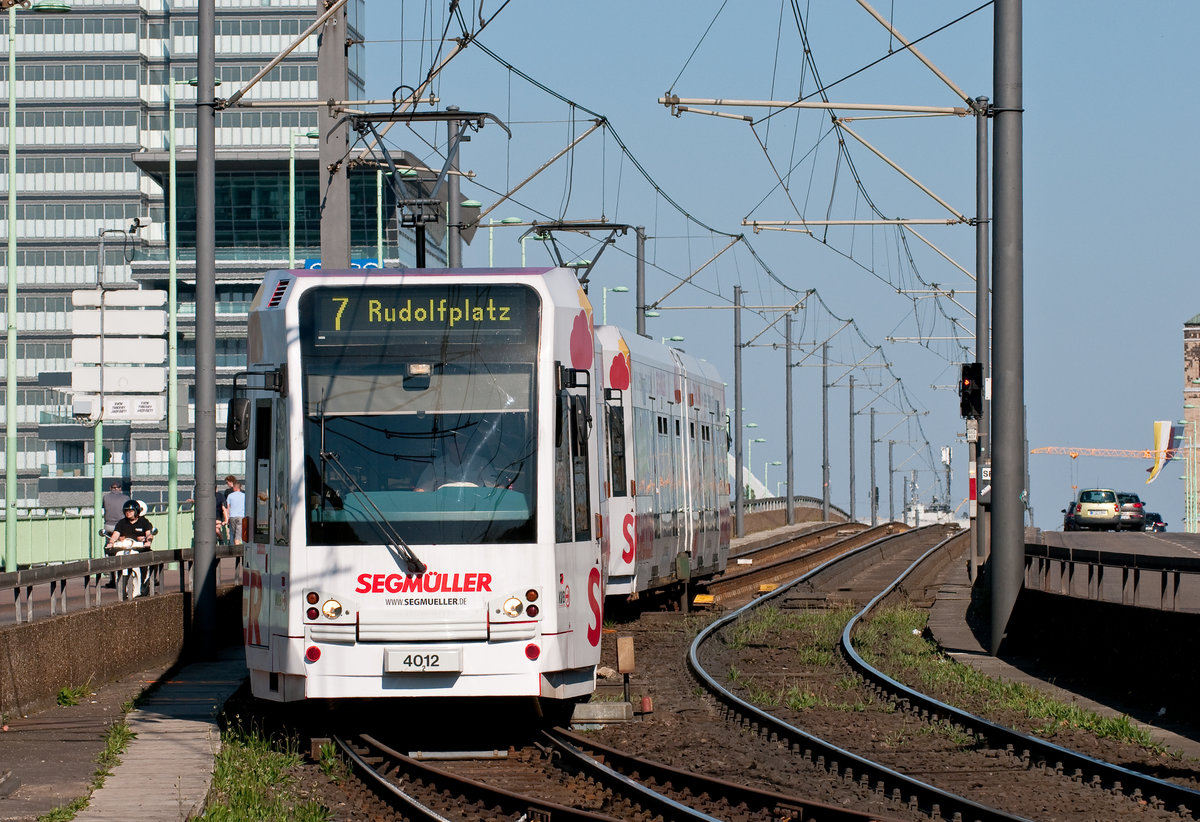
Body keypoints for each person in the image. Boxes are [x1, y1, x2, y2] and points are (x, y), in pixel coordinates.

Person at [225, 478, 246, 545]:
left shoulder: (230, 496)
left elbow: (228, 508)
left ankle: (234, 547)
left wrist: (227, 518)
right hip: (241, 516)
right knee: (238, 534)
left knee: (233, 534)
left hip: (232, 517)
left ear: (234, 487)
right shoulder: (244, 496)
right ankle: (237, 549)